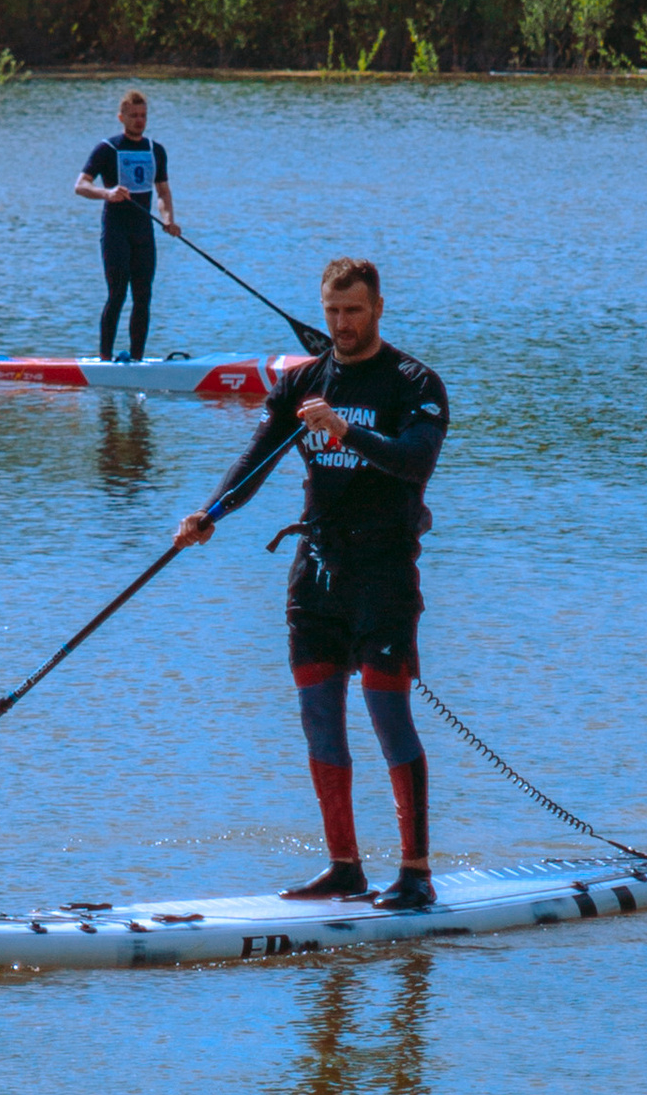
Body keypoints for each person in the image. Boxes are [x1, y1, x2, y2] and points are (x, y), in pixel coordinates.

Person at [175, 258, 449, 911]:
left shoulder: (414, 382)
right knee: (319, 720)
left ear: (378, 307)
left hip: (383, 576)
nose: (342, 324)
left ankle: (415, 873)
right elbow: (256, 459)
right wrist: (210, 514)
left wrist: (346, 429)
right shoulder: (304, 382)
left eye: (353, 311)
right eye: (332, 312)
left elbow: (414, 463)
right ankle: (345, 868)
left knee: (387, 714)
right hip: (318, 576)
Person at [74, 88, 177, 362]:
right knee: (117, 294)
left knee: (143, 297)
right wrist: (106, 193)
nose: (139, 121)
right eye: (133, 116)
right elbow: (81, 185)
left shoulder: (156, 150)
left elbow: (163, 193)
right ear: (121, 117)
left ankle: (138, 360)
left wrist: (168, 220)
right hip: (116, 230)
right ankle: (105, 359)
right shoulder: (107, 149)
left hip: (144, 232)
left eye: (143, 115)